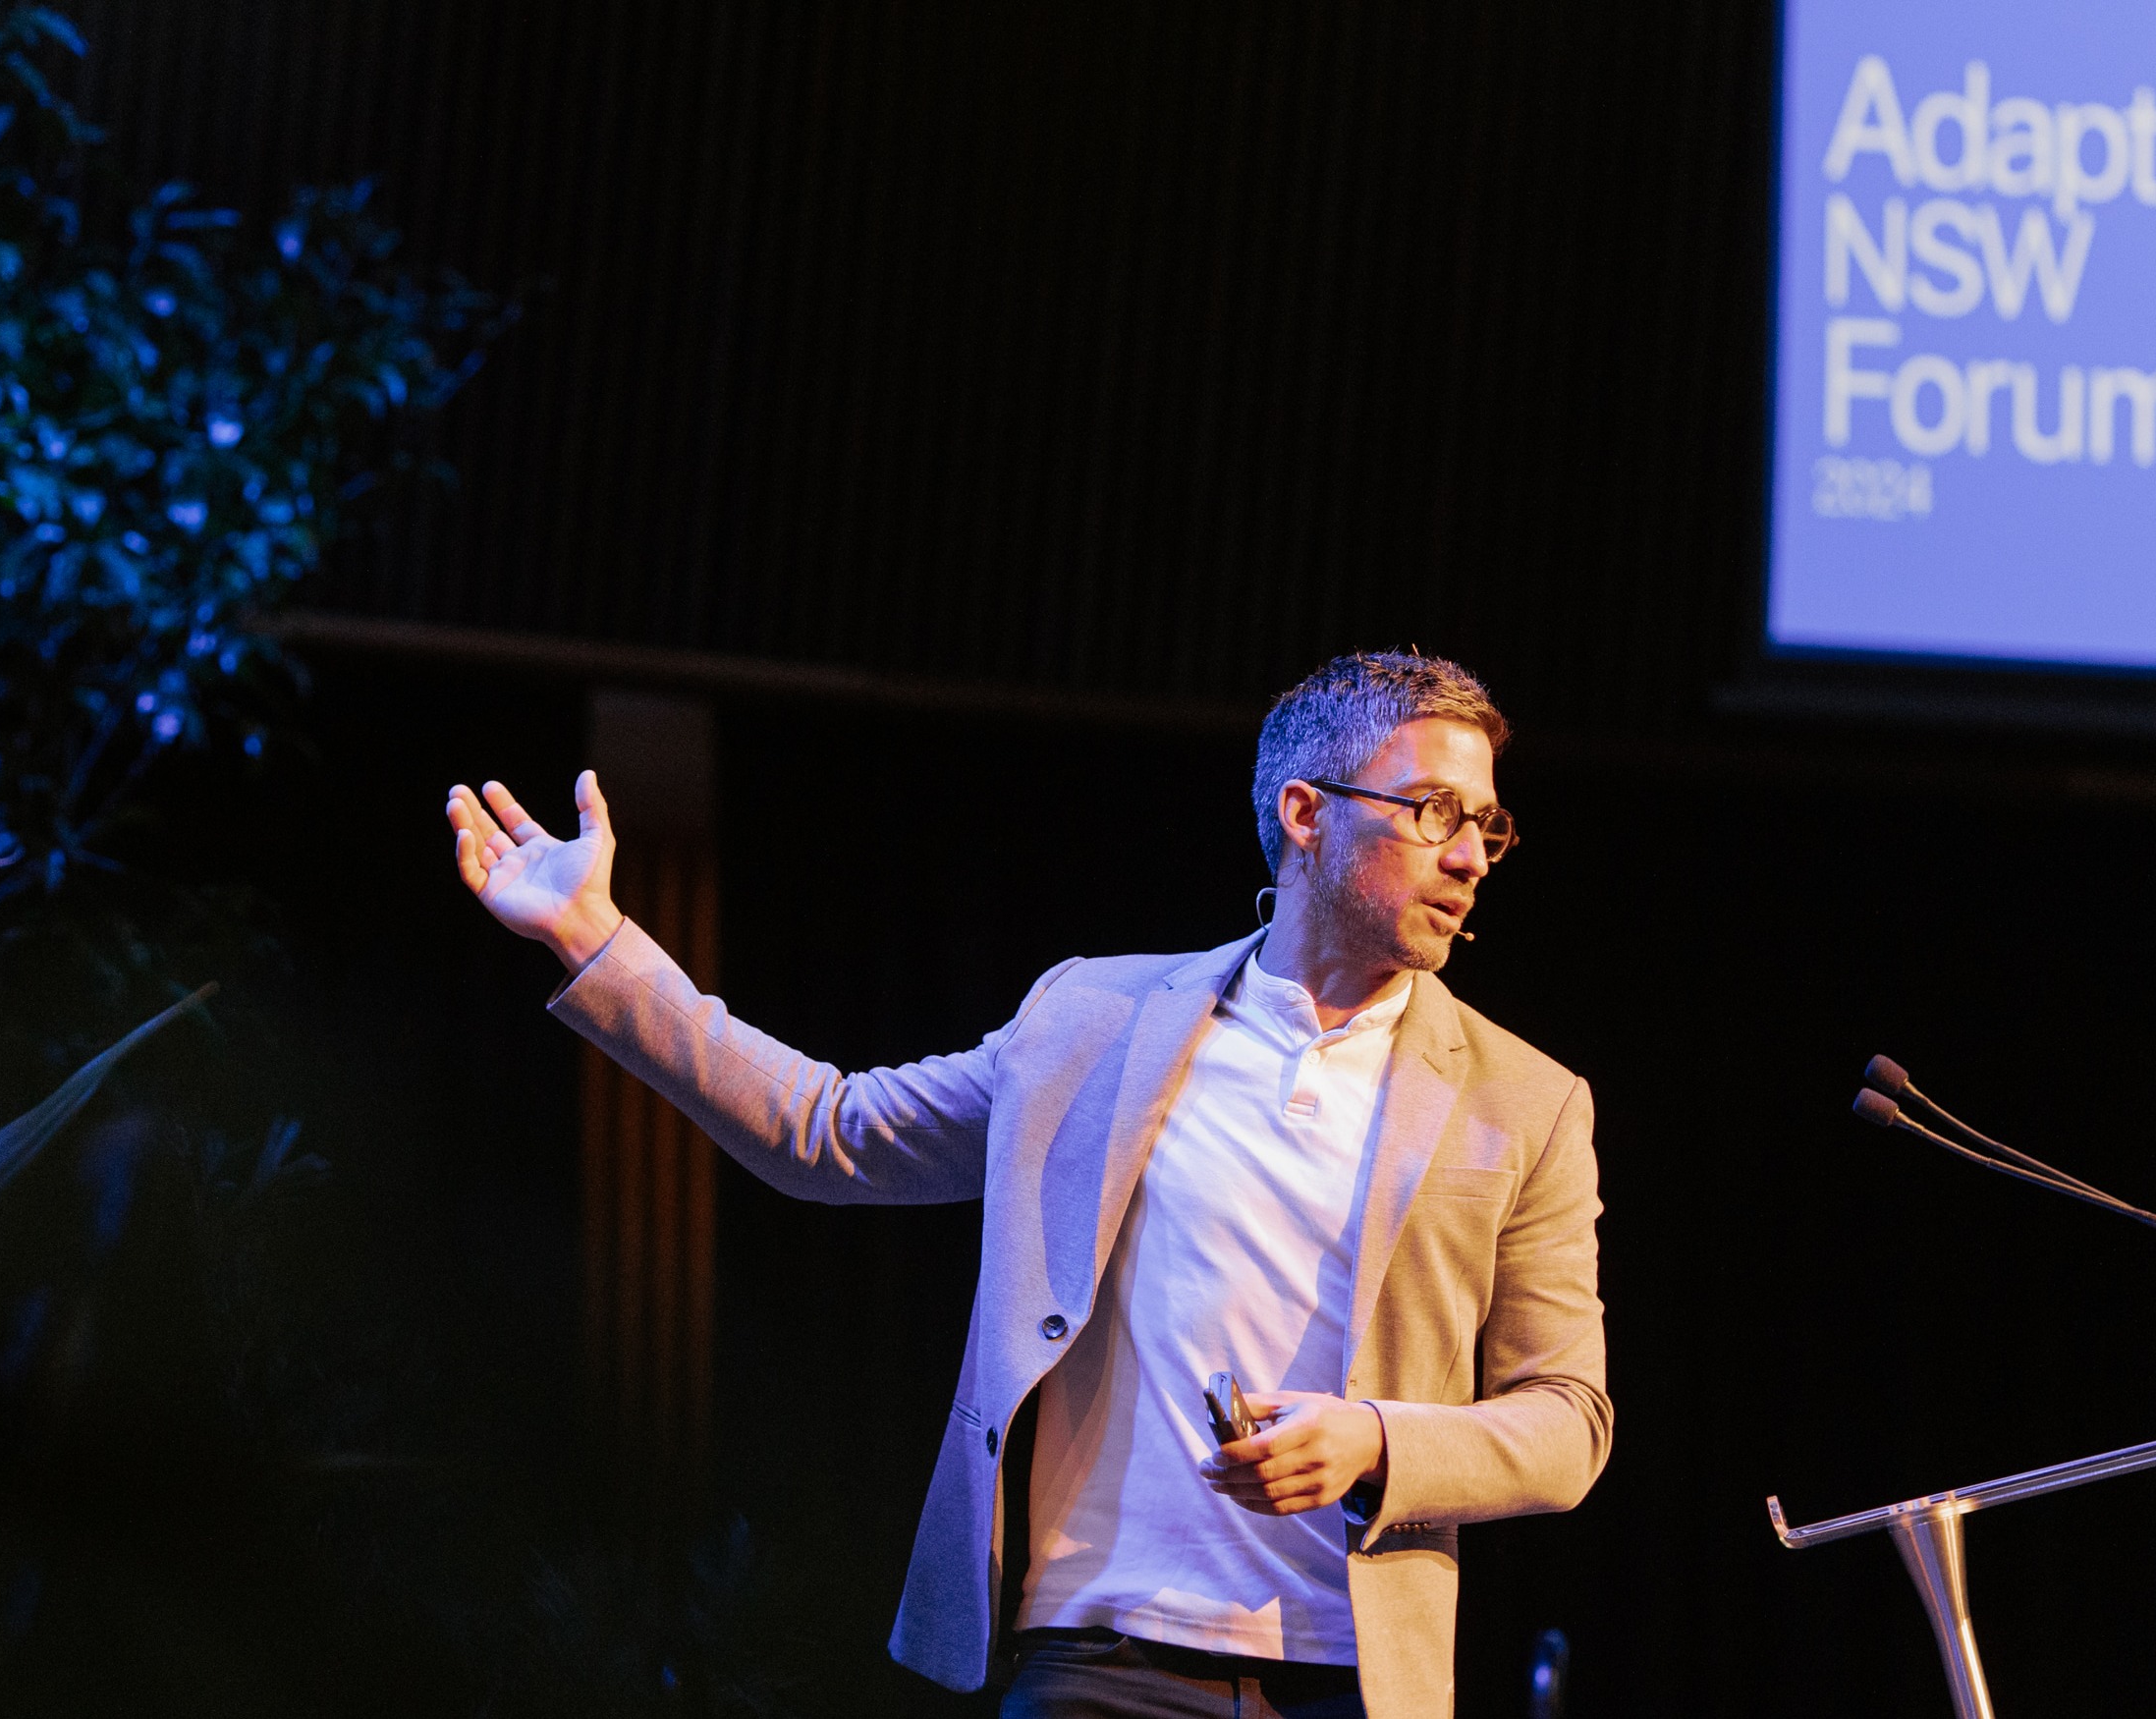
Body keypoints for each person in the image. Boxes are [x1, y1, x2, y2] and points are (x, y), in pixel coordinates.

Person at [444, 652, 1609, 1719]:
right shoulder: (1094, 1023)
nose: (1466, 854)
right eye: (1430, 811)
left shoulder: (1525, 1100)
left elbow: (1567, 1423)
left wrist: (1371, 1440)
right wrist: (595, 940)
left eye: (1485, 825)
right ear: (1304, 814)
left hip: (1353, 1675)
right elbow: (826, 1132)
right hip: (1099, 1657)